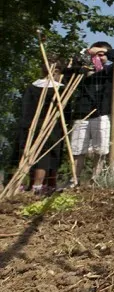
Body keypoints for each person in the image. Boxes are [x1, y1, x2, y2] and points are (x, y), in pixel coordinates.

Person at [65, 41, 114, 183]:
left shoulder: (111, 71)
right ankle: (74, 179)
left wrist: (102, 51)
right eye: (96, 55)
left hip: (102, 113)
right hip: (81, 114)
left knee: (100, 149)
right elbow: (68, 70)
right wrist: (88, 52)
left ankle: (96, 178)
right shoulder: (82, 71)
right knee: (78, 149)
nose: (99, 57)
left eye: (102, 55)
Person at [11, 59, 68, 194]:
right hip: (52, 127)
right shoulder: (60, 89)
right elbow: (66, 111)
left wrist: (26, 126)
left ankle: (30, 185)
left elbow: (25, 109)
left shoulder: (31, 88)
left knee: (29, 155)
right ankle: (39, 186)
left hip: (31, 126)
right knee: (47, 156)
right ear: (56, 71)